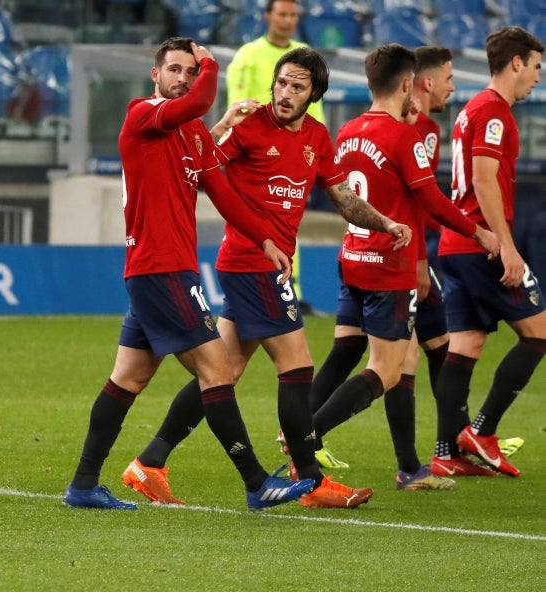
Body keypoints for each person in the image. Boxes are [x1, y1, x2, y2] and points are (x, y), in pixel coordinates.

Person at [119, 47, 414, 509]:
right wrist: (222, 127)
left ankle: (150, 461)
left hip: (272, 264)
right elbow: (195, 165)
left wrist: (385, 223)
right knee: (296, 366)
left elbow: (342, 197)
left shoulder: (317, 136)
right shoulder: (251, 127)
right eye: (281, 82)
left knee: (225, 372)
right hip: (248, 261)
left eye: (297, 86)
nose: (285, 93)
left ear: (314, 94)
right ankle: (311, 480)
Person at [63, 37, 315, 512]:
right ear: (155, 76)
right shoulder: (141, 113)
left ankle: (83, 485)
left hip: (165, 270)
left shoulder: (197, 133)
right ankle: (257, 483)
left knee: (128, 380)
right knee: (218, 370)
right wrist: (210, 64)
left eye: (189, 70)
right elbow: (198, 99)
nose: (182, 78)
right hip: (161, 269)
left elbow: (224, 194)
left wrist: (266, 240)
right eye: (174, 70)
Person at [307, 44, 499, 488]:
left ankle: (410, 468)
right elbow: (430, 199)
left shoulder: (350, 130)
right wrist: (477, 231)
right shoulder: (401, 136)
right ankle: (306, 436)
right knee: (388, 369)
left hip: (353, 257)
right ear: (408, 83)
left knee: (398, 356)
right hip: (388, 267)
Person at [430, 26, 546, 478]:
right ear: (516, 62)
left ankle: (445, 452)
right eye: (536, 67)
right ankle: (482, 430)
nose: (537, 77)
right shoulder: (494, 112)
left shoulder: (470, 110)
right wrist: (508, 246)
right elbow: (482, 179)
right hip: (482, 242)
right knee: (538, 333)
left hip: (456, 245)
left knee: (467, 343)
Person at [226, 0, 324, 314]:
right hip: (257, 153)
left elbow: (314, 113)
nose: (288, 20)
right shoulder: (248, 55)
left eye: (293, 14)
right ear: (268, 16)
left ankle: (289, 286)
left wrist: (315, 154)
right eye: (282, 13)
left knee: (288, 219)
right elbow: (238, 104)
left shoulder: (304, 55)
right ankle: (274, 285)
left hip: (297, 153)